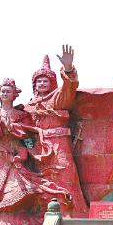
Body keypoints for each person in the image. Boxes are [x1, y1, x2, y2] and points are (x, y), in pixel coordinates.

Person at [0, 78, 68, 225]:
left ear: (14, 95)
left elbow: (28, 133)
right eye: (2, 91)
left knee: (21, 190)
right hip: (0, 158)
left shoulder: (22, 115)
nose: (5, 93)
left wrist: (11, 128)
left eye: (8, 91)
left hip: (17, 156)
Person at [24, 45, 89, 216]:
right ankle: (42, 218)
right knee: (43, 184)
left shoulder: (57, 99)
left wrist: (68, 69)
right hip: (38, 151)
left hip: (59, 146)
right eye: (39, 81)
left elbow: (69, 87)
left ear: (52, 83)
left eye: (45, 80)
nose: (42, 83)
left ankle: (76, 218)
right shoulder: (28, 107)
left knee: (67, 177)